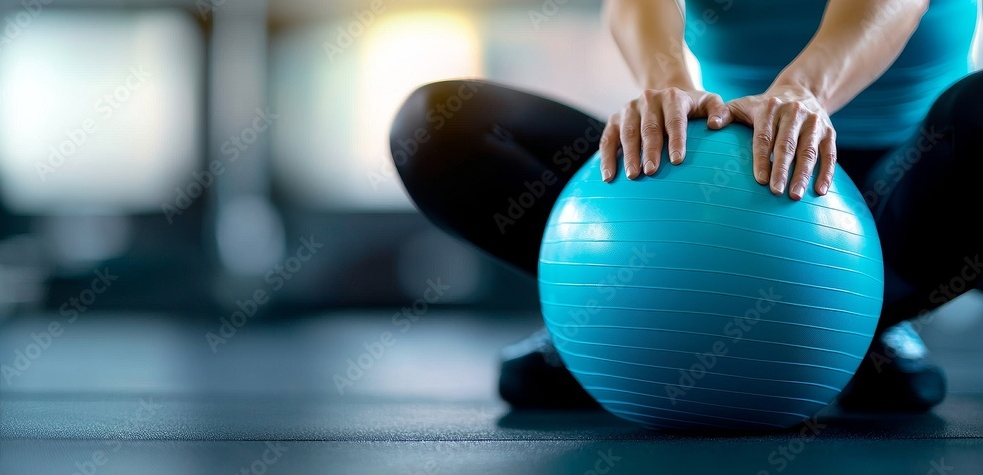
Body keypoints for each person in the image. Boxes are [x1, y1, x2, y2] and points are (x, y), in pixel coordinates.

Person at [389, 0, 982, 412]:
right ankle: (611, 311)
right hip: (715, 166)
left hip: (897, 194)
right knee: (440, 124)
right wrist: (666, 82)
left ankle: (863, 320)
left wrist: (803, 92)